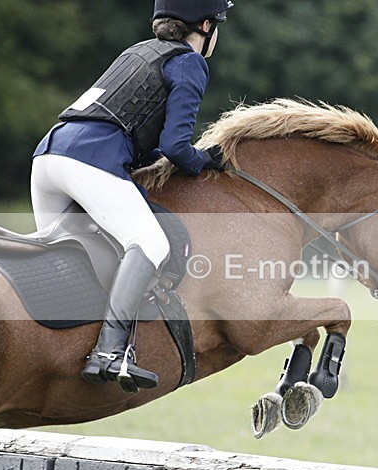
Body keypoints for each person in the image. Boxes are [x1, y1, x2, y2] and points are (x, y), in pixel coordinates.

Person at [30, 0, 233, 393]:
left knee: (74, 261)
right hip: (90, 161)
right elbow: (175, 146)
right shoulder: (190, 63)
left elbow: (140, 137)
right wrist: (206, 161)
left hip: (48, 158)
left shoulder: (136, 51)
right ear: (206, 26)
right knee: (150, 242)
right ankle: (109, 351)